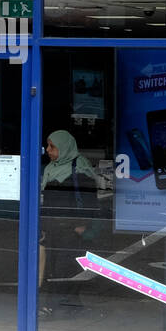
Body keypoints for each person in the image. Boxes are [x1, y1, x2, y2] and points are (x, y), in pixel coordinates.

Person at [38, 130, 99, 315]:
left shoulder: (80, 168)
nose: (48, 150)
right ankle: (72, 306)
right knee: (56, 266)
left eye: (52, 146)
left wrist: (82, 225)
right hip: (53, 227)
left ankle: (52, 306)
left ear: (64, 147)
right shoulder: (51, 168)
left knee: (61, 268)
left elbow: (89, 199)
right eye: (48, 145)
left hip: (71, 229)